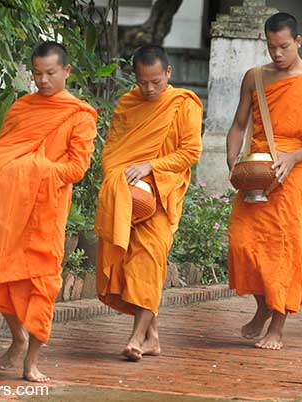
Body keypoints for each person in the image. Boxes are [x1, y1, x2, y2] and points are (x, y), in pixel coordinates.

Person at [0, 41, 97, 382]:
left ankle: (32, 363)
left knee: (41, 285)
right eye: (38, 74)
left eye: (50, 74)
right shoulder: (22, 108)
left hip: (45, 213)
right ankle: (18, 336)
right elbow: (4, 153)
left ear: (66, 71)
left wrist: (36, 170)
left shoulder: (79, 115)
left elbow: (76, 168)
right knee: (1, 277)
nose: (43, 81)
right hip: (9, 212)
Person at [225, 12, 302, 350]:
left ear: (298, 41)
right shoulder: (255, 78)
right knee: (242, 244)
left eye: (283, 46)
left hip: (291, 177)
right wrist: (232, 157)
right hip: (255, 172)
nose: (277, 54)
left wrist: (294, 157)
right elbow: (239, 124)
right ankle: (262, 305)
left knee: (284, 252)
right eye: (271, 47)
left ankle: (277, 326)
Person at [95, 45, 203, 361]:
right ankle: (152, 337)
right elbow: (111, 151)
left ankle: (135, 337)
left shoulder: (184, 105)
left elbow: (190, 152)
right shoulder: (128, 104)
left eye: (156, 81)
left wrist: (150, 167)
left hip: (164, 196)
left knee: (148, 260)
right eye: (143, 82)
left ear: (168, 73)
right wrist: (116, 180)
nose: (150, 88)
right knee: (129, 264)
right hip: (129, 195)